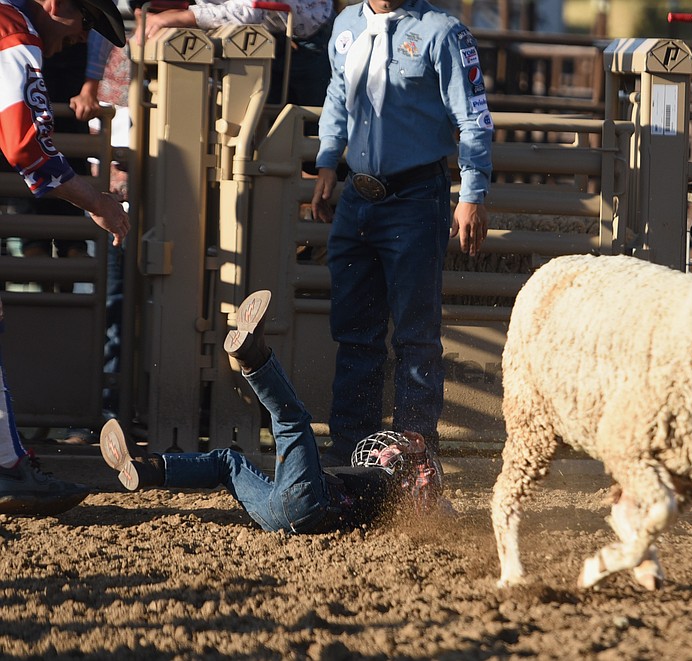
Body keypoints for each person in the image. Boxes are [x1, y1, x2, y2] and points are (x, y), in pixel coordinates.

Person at [311, 0, 493, 465]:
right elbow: (338, 92)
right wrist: (328, 159)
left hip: (415, 196)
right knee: (355, 331)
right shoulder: (347, 25)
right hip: (357, 196)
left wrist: (472, 193)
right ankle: (353, 459)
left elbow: (472, 115)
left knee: (415, 336)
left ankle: (414, 467)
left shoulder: (443, 33)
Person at [100, 290, 443, 531]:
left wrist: (411, 457)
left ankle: (254, 357)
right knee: (227, 463)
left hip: (309, 501)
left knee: (292, 419)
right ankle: (146, 469)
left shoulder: (394, 486)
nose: (383, 454)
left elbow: (415, 479)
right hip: (277, 514)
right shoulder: (391, 498)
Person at [0, 0, 130, 514]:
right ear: (56, 4)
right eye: (85, 23)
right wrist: (96, 201)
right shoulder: (14, 31)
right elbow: (24, 144)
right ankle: (7, 468)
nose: (82, 39)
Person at [134, 0, 336, 107]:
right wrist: (150, 15)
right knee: (260, 130)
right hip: (255, 37)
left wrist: (179, 18)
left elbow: (250, 9)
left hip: (308, 38)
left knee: (309, 133)